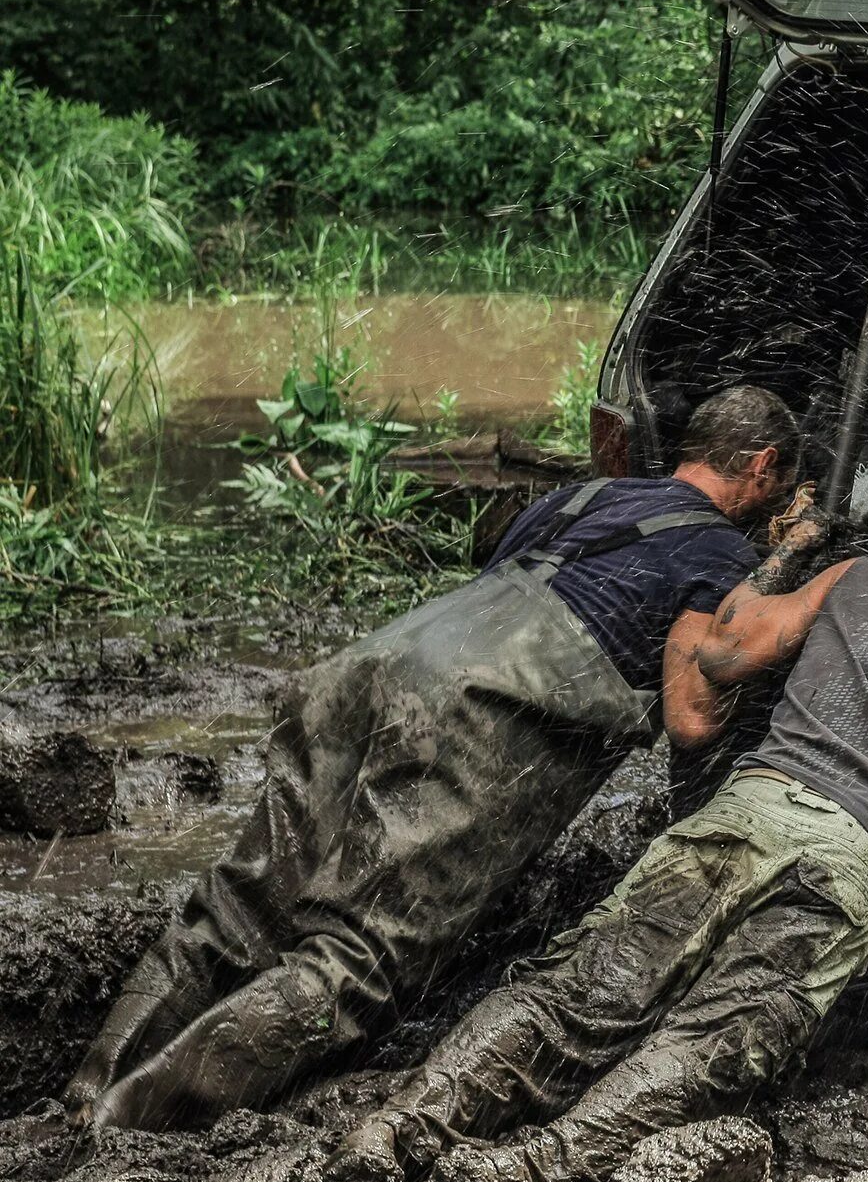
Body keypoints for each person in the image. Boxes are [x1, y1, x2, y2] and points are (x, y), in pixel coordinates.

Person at [323, 467, 868, 1182]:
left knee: (576, 989)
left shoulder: (858, 573)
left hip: (740, 814)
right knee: (710, 1043)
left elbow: (723, 653)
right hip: (845, 865)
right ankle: (534, 1174)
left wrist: (789, 548)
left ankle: (396, 1129)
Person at [68, 385, 805, 1132]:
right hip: (473, 709)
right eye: (783, 483)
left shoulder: (585, 496)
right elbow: (688, 715)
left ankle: (81, 1093)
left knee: (241, 904)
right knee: (360, 959)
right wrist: (780, 569)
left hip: (376, 666)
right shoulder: (723, 553)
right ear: (763, 467)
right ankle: (129, 1125)